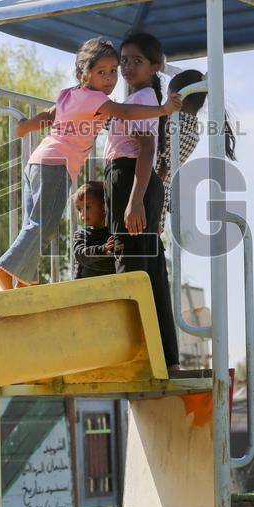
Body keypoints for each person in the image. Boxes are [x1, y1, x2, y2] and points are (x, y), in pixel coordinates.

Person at [0, 38, 181, 291]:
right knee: (43, 225)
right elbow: (125, 112)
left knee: (32, 223)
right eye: (102, 72)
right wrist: (163, 109)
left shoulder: (70, 94)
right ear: (83, 74)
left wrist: (24, 127)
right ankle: (5, 269)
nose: (110, 78)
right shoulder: (95, 99)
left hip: (37, 161)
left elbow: (50, 115)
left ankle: (24, 278)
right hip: (57, 165)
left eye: (113, 71)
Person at [104, 32, 178, 368]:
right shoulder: (140, 98)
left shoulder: (146, 98)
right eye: (124, 61)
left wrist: (134, 200)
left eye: (137, 61)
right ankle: (163, 354)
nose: (127, 67)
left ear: (155, 67)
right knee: (150, 269)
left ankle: (137, 354)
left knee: (130, 265)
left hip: (133, 178)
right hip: (137, 180)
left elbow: (147, 148)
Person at [156, 69, 237, 234]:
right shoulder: (193, 131)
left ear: (178, 98)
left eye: (168, 97)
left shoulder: (172, 125)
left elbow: (128, 126)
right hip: (158, 206)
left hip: (144, 205)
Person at [71, 181, 118, 279]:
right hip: (83, 287)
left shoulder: (114, 233)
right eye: (79, 209)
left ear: (104, 207)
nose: (82, 214)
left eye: (87, 207)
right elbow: (80, 254)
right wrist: (102, 250)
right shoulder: (81, 234)